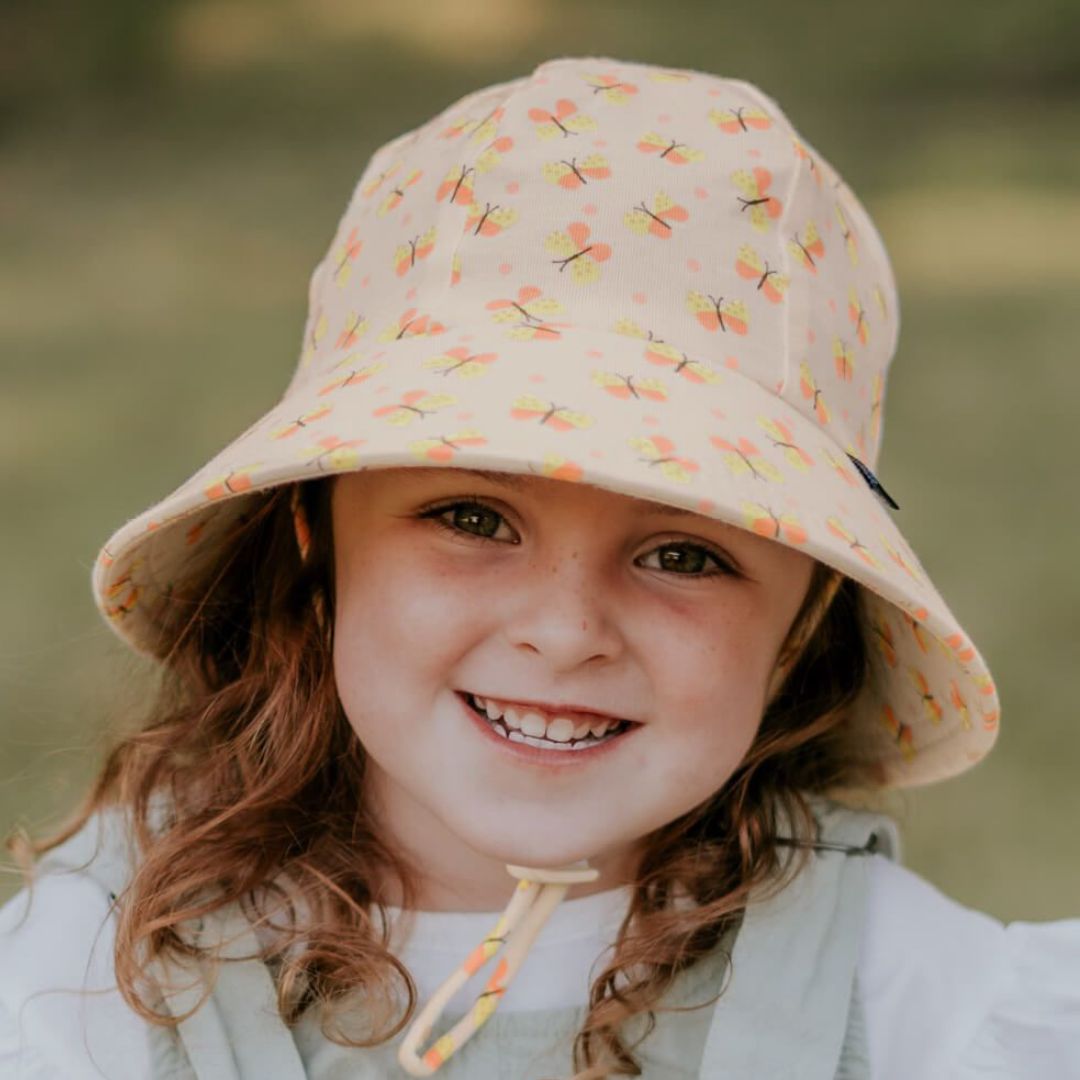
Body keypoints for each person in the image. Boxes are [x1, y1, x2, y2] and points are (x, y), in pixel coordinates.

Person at [1, 55, 1077, 1080]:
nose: (565, 632)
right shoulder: (88, 988)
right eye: (472, 516)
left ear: (804, 619)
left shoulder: (908, 999)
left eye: (684, 553)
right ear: (313, 539)